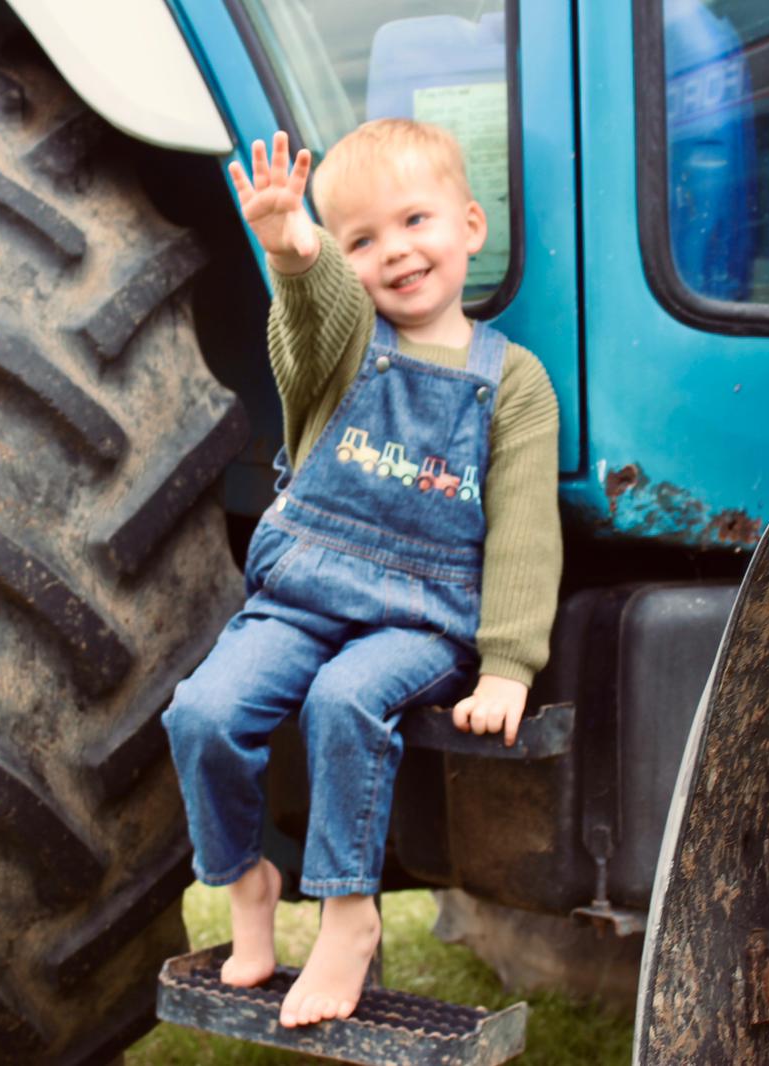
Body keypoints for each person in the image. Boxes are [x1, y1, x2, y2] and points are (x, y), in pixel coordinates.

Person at [161, 120, 561, 1028]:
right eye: (363, 240)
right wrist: (295, 246)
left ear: (469, 224)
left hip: (419, 619)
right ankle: (245, 880)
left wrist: (507, 665)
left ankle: (348, 916)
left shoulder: (515, 383)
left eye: (414, 220)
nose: (396, 252)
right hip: (303, 597)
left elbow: (526, 532)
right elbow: (314, 309)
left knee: (346, 699)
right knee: (203, 712)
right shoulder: (341, 350)